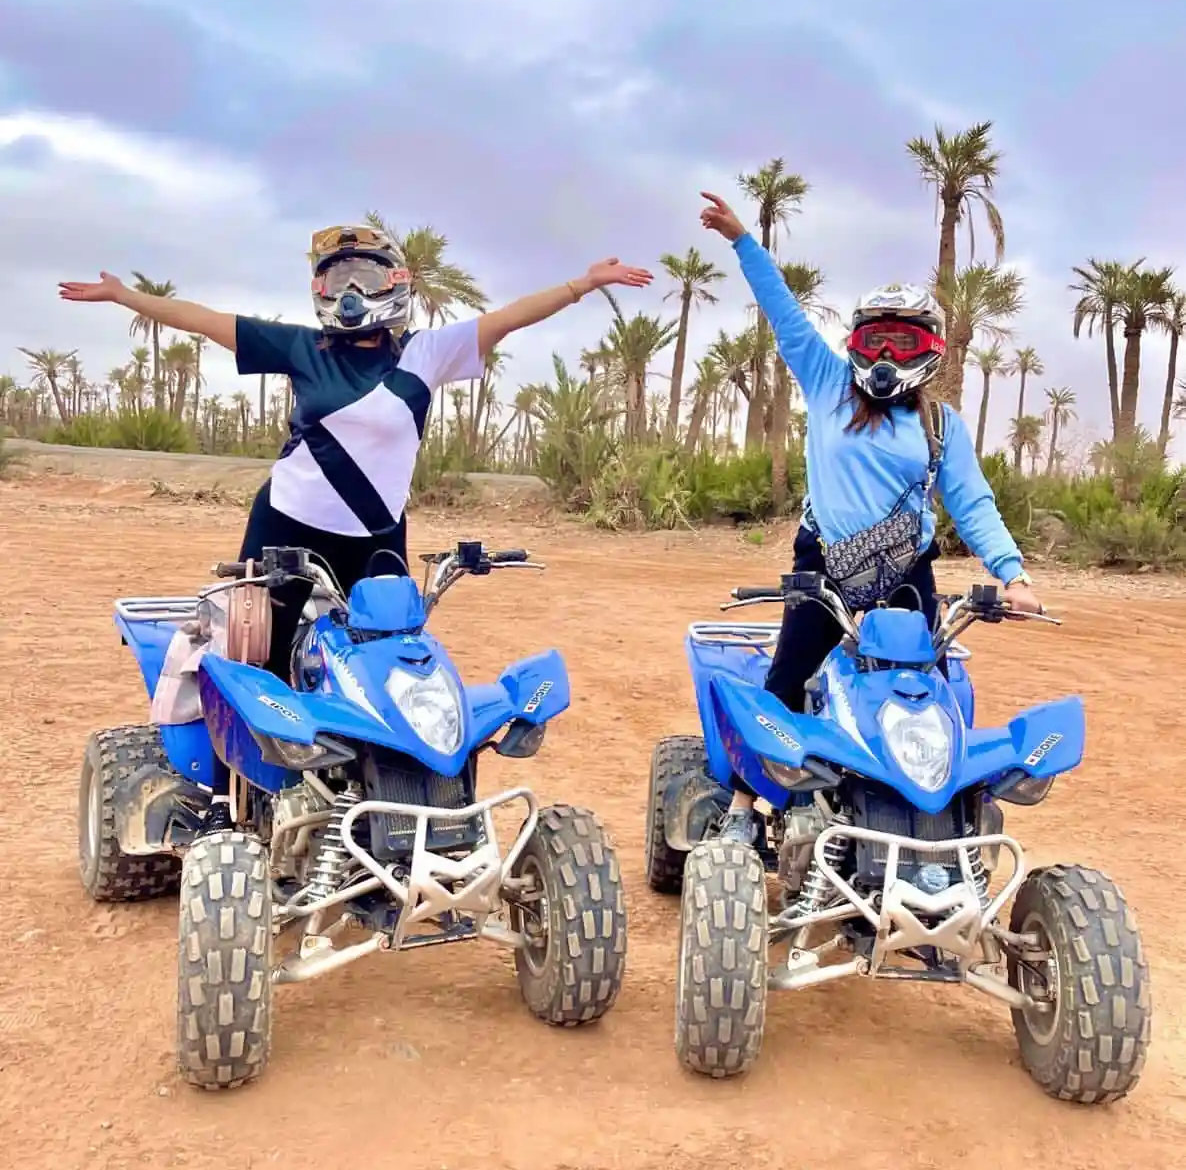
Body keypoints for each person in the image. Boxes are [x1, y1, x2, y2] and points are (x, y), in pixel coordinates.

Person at [61, 222, 651, 678]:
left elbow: (508, 319)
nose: (350, 293)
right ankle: (230, 797)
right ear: (318, 289)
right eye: (337, 280)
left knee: (385, 660)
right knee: (253, 654)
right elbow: (201, 319)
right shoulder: (301, 348)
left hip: (377, 535)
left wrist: (582, 284)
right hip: (286, 525)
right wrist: (125, 296)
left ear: (395, 284)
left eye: (365, 280)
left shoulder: (425, 354)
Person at [698, 191, 1041, 847]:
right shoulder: (828, 383)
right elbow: (786, 316)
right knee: (788, 682)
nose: (884, 354)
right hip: (823, 568)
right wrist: (744, 239)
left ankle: (929, 823)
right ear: (855, 344)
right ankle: (743, 811)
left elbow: (972, 504)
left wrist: (1014, 574)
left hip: (907, 577)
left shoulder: (941, 425)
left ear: (929, 348)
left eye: (901, 339)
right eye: (873, 339)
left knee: (924, 696)